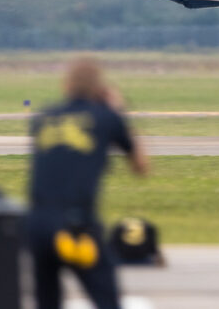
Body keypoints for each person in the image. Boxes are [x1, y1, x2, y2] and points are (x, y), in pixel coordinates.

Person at [27, 57, 149, 309]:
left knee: (46, 301)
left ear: (66, 85)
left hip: (36, 227)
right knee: (107, 299)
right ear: (99, 88)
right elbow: (141, 167)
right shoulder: (104, 117)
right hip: (75, 228)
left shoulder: (43, 118)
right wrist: (118, 112)